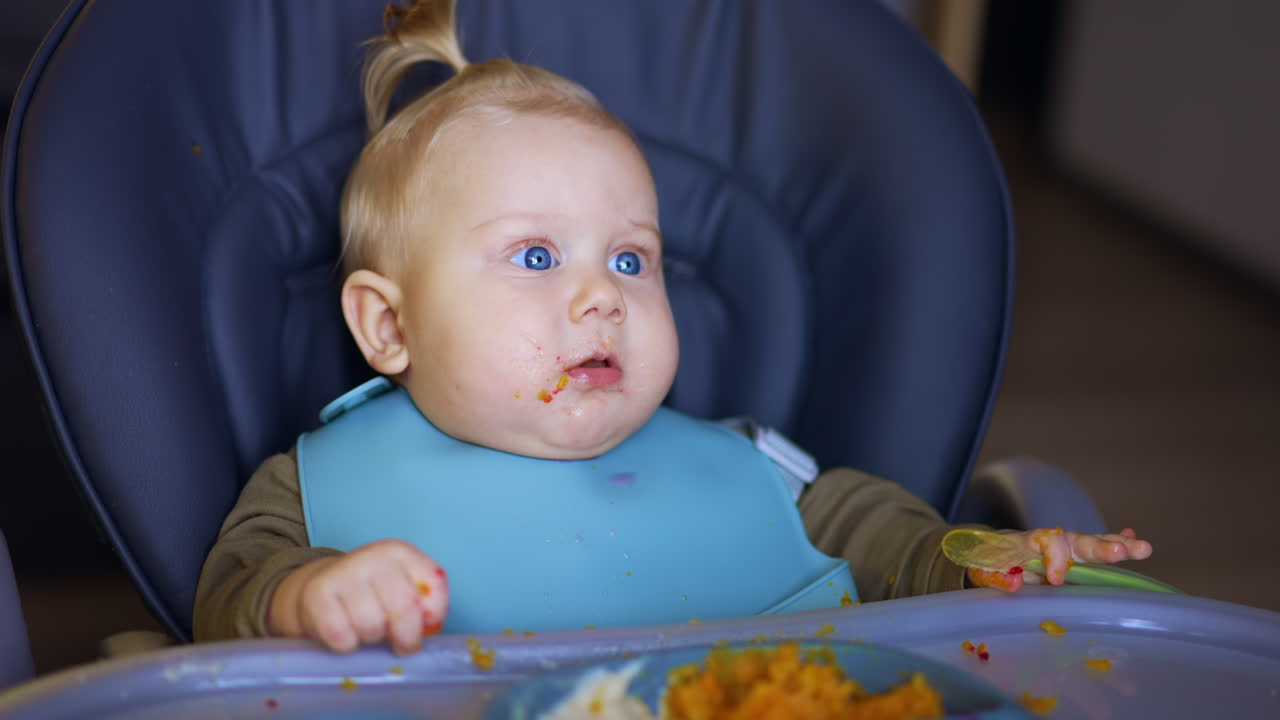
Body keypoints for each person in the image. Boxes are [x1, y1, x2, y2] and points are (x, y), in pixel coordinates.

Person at [193, 0, 1152, 657]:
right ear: (388, 325)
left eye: (630, 259)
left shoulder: (752, 472)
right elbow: (226, 605)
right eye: (535, 257)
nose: (602, 297)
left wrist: (987, 564)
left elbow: (889, 541)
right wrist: (303, 598)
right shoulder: (316, 494)